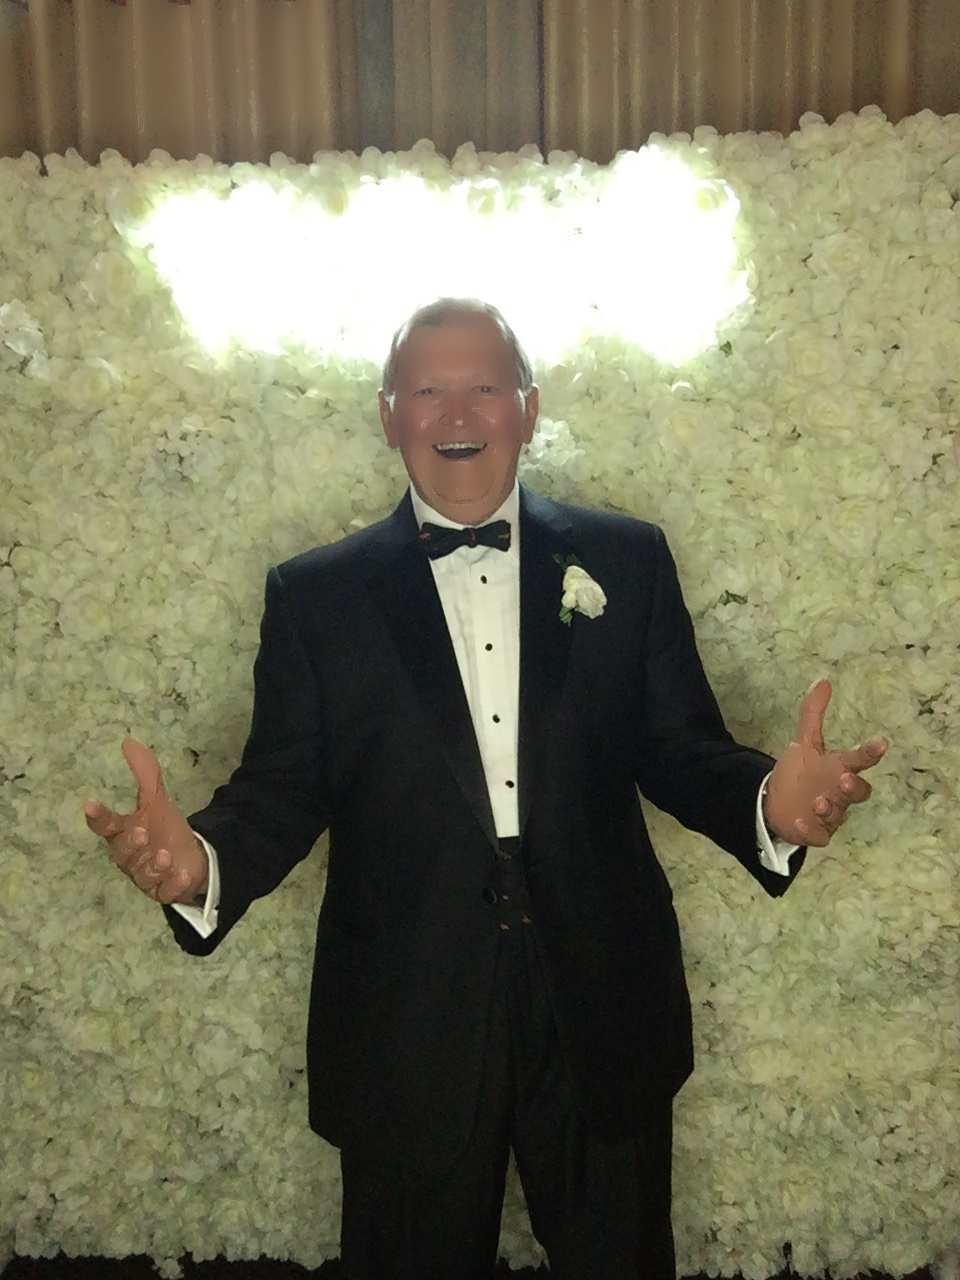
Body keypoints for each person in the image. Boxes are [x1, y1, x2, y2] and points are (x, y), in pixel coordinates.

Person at [84, 298, 888, 1280]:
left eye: (484, 386)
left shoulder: (627, 558)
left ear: (528, 408)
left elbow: (680, 751)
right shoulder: (315, 595)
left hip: (603, 990)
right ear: (389, 414)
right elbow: (284, 788)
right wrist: (197, 862)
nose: (457, 412)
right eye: (427, 389)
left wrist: (770, 804)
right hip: (407, 1009)